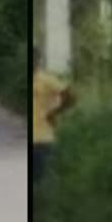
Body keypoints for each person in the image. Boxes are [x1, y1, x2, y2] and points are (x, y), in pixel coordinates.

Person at [32, 51, 73, 186]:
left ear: (38, 60)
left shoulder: (46, 80)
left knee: (39, 182)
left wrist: (54, 112)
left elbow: (70, 95)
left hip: (42, 139)